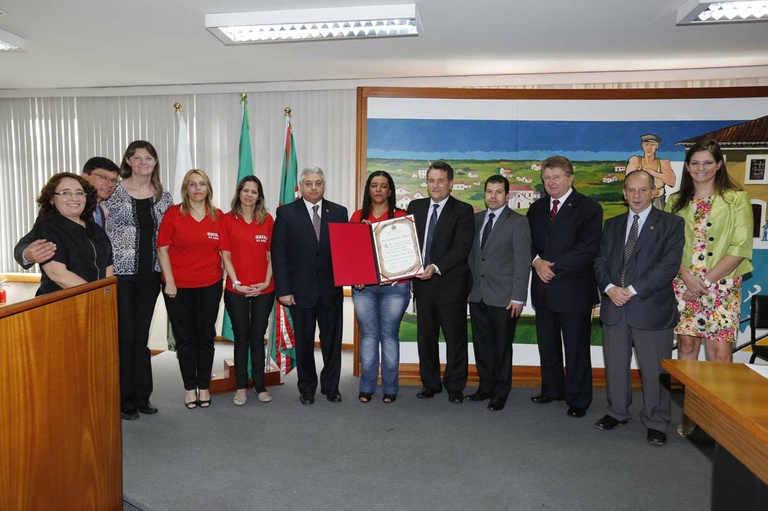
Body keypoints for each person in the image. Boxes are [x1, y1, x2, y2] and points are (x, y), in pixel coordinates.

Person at [665, 140, 753, 437]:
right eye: (695, 163)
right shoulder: (674, 201)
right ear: (687, 167)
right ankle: (692, 411)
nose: (700, 168)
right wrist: (687, 278)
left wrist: (703, 283)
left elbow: (740, 247)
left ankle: (720, 417)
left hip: (723, 286)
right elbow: (668, 248)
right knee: (687, 347)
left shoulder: (735, 199)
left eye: (707, 162)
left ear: (719, 165)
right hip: (683, 283)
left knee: (719, 353)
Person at [593, 170, 684, 446]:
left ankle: (656, 421)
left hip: (650, 307)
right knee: (616, 365)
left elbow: (668, 266)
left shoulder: (671, 224)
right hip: (615, 306)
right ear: (624, 192)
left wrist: (631, 291)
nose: (636, 196)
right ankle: (617, 412)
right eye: (631, 190)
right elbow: (599, 260)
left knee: (654, 369)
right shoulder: (612, 224)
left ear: (654, 191)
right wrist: (609, 289)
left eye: (642, 190)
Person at [527, 155, 602, 418]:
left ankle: (578, 399)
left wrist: (552, 268)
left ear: (570, 178)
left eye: (556, 177)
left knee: (576, 347)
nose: (551, 182)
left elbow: (588, 249)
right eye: (547, 178)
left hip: (574, 290)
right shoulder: (536, 209)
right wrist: (537, 262)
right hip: (543, 289)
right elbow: (529, 244)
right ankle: (552, 390)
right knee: (547, 345)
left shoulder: (589, 208)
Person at [104, 141, 173, 421]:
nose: (143, 162)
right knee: (126, 336)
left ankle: (143, 397)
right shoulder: (113, 192)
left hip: (150, 275)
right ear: (129, 161)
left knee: (141, 337)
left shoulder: (163, 197)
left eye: (149, 158)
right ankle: (124, 400)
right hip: (120, 274)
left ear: (155, 162)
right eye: (137, 157)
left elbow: (168, 238)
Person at [272, 166, 348, 405]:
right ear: (300, 186)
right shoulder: (286, 213)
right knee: (304, 344)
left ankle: (331, 387)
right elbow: (279, 255)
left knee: (332, 343)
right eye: (308, 183)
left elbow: (344, 252)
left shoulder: (339, 212)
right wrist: (283, 290)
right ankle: (306, 388)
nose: (313, 188)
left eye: (318, 183)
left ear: (324, 185)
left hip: (331, 291)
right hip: (299, 292)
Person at [406, 161, 474, 404]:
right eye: (431, 180)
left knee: (455, 338)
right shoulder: (415, 206)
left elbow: (461, 248)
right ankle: (430, 384)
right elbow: (406, 240)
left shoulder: (463, 211)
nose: (435, 185)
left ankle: (455, 386)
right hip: (422, 286)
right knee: (426, 337)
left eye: (441, 180)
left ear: (451, 184)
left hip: (451, 285)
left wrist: (435, 267)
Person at [157, 169, 224, 410]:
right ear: (186, 189)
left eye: (202, 184)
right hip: (178, 287)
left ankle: (204, 386)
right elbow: (162, 248)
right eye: (192, 185)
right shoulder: (174, 214)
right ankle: (189, 388)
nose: (197, 189)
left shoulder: (218, 216)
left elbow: (225, 252)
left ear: (208, 188)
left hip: (210, 285)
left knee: (205, 337)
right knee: (185, 339)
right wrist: (170, 281)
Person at [467, 175, 531, 411]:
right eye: (489, 191)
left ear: (507, 195)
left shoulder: (518, 222)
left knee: (502, 347)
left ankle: (501, 392)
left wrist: (518, 297)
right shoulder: (475, 220)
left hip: (505, 298)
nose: (493, 196)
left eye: (498, 192)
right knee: (482, 345)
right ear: (484, 194)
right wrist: (469, 288)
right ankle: (485, 388)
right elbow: (473, 258)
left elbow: (523, 262)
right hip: (478, 295)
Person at [351, 171, 411, 404]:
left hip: (395, 287)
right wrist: (355, 275)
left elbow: (407, 255)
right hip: (363, 288)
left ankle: (390, 387)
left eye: (383, 186)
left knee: (388, 336)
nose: (378, 190)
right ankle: (366, 386)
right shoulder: (357, 217)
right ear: (368, 190)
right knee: (368, 336)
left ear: (390, 190)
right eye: (374, 185)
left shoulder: (401, 217)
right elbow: (351, 254)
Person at [221, 176, 275, 407]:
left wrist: (265, 282)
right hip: (236, 289)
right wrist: (236, 283)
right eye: (245, 190)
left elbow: (273, 255)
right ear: (239, 192)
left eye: (254, 191)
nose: (249, 195)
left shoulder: (267, 220)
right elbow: (225, 255)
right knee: (241, 338)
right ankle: (241, 387)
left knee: (257, 337)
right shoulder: (227, 219)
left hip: (264, 289)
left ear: (259, 196)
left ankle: (260, 386)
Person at [14, 157, 119, 269]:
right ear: (84, 176)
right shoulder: (64, 208)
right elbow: (30, 241)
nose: (109, 184)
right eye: (103, 177)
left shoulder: (101, 210)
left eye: (113, 180)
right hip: (67, 282)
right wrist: (26, 256)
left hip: (98, 281)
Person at [32, 172, 113, 295]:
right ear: (52, 199)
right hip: (62, 303)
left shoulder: (95, 228)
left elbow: (108, 267)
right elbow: (57, 274)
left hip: (98, 302)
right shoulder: (47, 227)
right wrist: (96, 294)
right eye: (65, 193)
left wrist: (107, 295)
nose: (74, 198)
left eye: (79, 193)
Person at [626, 133, 676, 210]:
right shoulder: (635, 161)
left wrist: (654, 173)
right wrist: (653, 181)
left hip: (658, 203)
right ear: (642, 146)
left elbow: (672, 182)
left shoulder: (663, 163)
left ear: (657, 146)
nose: (649, 148)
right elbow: (629, 182)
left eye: (652, 145)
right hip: (639, 202)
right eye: (647, 144)